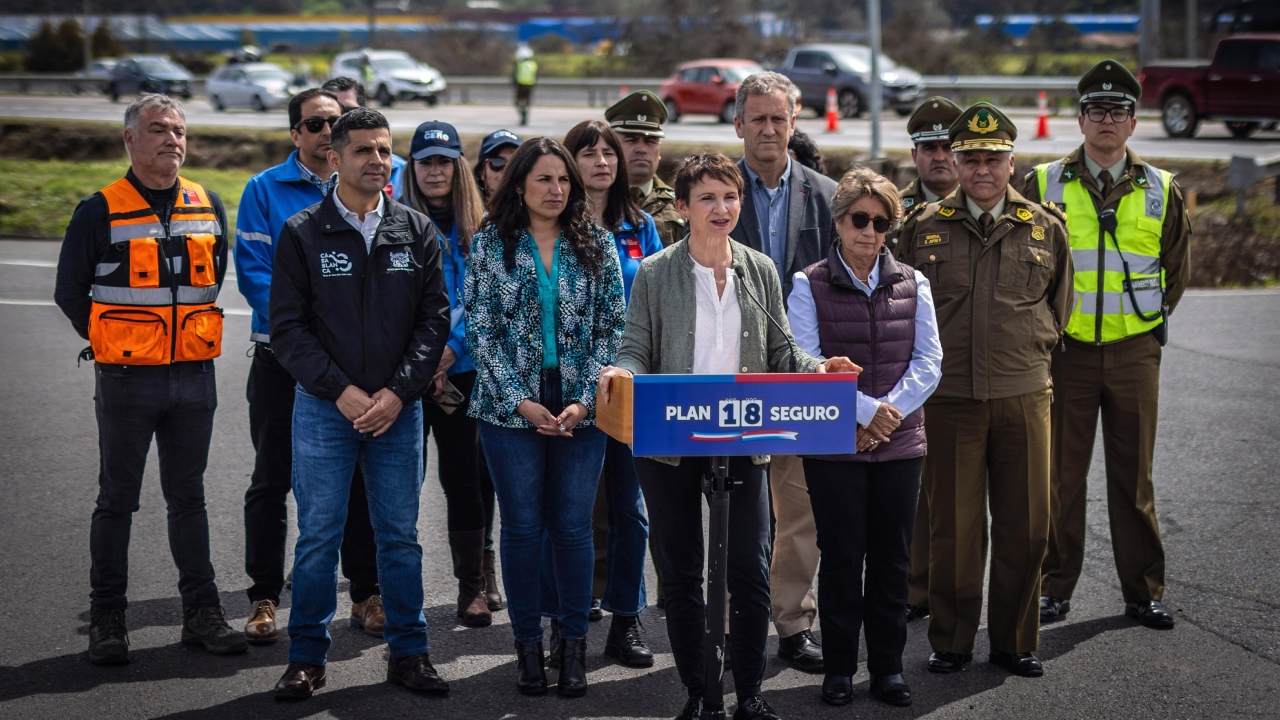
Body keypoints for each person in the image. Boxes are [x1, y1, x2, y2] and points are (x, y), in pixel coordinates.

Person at [598, 152, 859, 720]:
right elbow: (635, 347)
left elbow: (784, 351)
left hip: (745, 434)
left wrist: (818, 370)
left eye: (730, 197)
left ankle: (750, 693)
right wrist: (623, 374)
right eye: (708, 198)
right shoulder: (655, 271)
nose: (722, 209)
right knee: (683, 569)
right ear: (683, 207)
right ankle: (699, 691)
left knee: (748, 564)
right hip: (671, 440)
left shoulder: (760, 269)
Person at [54, 94, 247, 664]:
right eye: (158, 129)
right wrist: (114, 342)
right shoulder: (99, 210)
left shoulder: (208, 203)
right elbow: (70, 292)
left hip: (193, 378)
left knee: (189, 497)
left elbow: (216, 275)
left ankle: (202, 614)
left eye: (179, 130)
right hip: (125, 379)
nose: (172, 140)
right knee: (118, 500)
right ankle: (108, 619)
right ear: (130, 141)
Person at [268, 108, 452, 700]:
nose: (377, 160)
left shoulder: (416, 231)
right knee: (319, 534)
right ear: (334, 157)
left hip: (397, 412)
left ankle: (410, 653)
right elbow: (288, 330)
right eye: (365, 150)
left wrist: (398, 393)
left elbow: (434, 324)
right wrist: (343, 392)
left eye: (384, 149)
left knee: (400, 535)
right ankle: (305, 658)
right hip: (327, 409)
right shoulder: (301, 232)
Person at [895, 103, 1073, 678]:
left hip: (1024, 394)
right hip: (949, 399)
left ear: (1011, 162)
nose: (981, 170)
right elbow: (905, 317)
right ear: (954, 160)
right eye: (970, 158)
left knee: (1027, 525)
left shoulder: (1046, 228)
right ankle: (949, 641)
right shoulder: (922, 227)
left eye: (993, 158)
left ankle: (1015, 641)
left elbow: (1058, 310)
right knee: (953, 527)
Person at [1022, 60, 1191, 630]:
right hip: (1064, 353)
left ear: (1134, 122)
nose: (1107, 122)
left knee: (1133, 477)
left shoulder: (1162, 188)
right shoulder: (1043, 183)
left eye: (1119, 112)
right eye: (1097, 111)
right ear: (1080, 118)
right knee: (1059, 479)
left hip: (1135, 353)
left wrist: (1148, 323)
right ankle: (1054, 587)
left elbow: (1176, 270)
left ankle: (1143, 593)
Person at [464, 137, 626, 698]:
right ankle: (528, 649)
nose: (556, 190)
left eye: (564, 180)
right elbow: (480, 330)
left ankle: (573, 647)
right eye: (544, 180)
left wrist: (583, 400)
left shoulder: (598, 244)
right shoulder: (490, 243)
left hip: (582, 408)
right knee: (524, 528)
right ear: (520, 187)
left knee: (574, 528)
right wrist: (519, 400)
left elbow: (613, 328)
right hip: (510, 412)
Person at [233, 88, 386, 644]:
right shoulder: (263, 190)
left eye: (335, 122)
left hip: (349, 371)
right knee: (271, 481)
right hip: (282, 361)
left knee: (356, 487)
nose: (328, 131)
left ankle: (366, 593)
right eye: (316, 123)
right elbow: (255, 276)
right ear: (295, 133)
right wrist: (315, 333)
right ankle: (264, 597)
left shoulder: (366, 188)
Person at [787, 168, 942, 707]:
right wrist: (865, 412)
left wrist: (889, 414)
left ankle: (888, 668)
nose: (870, 232)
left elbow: (930, 361)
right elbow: (806, 362)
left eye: (881, 222)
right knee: (842, 556)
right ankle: (837, 670)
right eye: (859, 219)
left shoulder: (913, 282)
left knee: (893, 560)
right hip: (835, 442)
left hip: (900, 443)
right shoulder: (808, 284)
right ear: (839, 220)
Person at [728, 70, 838, 673]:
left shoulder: (827, 195)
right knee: (730, 504)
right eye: (758, 119)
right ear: (738, 123)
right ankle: (730, 624)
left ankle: (794, 622)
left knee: (798, 509)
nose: (769, 129)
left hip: (800, 377)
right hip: (729, 375)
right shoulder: (712, 190)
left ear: (795, 123)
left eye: (780, 119)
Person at [541, 119, 661, 668]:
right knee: (569, 510)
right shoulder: (552, 225)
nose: (602, 163)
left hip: (630, 385)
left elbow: (656, 301)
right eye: (587, 154)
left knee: (630, 509)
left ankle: (627, 617)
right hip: (571, 386)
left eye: (608, 153)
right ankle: (567, 615)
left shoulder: (642, 227)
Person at [400, 121, 494, 628]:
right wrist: (423, 360)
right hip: (406, 375)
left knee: (466, 482)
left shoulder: (483, 229)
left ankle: (472, 588)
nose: (435, 171)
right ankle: (393, 592)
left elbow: (487, 305)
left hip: (464, 372)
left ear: (458, 166)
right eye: (425, 161)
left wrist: (449, 351)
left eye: (444, 161)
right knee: (399, 485)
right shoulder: (393, 222)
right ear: (412, 168)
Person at [896, 94, 962, 623]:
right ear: (915, 153)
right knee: (915, 491)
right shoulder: (892, 213)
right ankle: (914, 590)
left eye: (948, 147)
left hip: (968, 368)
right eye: (928, 147)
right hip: (906, 374)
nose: (939, 157)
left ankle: (956, 589)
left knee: (964, 493)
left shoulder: (987, 206)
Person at [605, 90, 687, 247]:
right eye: (631, 140)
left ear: (659, 151)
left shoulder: (680, 206)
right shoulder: (596, 200)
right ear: (612, 148)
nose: (641, 149)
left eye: (650, 141)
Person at [321, 76, 407, 196]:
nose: (340, 120)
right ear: (334, 160)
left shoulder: (401, 172)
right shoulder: (311, 174)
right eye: (332, 117)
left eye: (348, 112)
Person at [474, 129, 523, 202]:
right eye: (497, 162)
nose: (506, 171)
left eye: (514, 164)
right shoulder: (466, 211)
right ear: (482, 170)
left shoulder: (536, 211)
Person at [513, 46, 538, 126]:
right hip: (530, 86)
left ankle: (523, 115)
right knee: (527, 102)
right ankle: (526, 116)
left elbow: (515, 75)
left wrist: (513, 84)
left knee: (518, 102)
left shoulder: (520, 64)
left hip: (521, 85)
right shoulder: (533, 64)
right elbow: (536, 76)